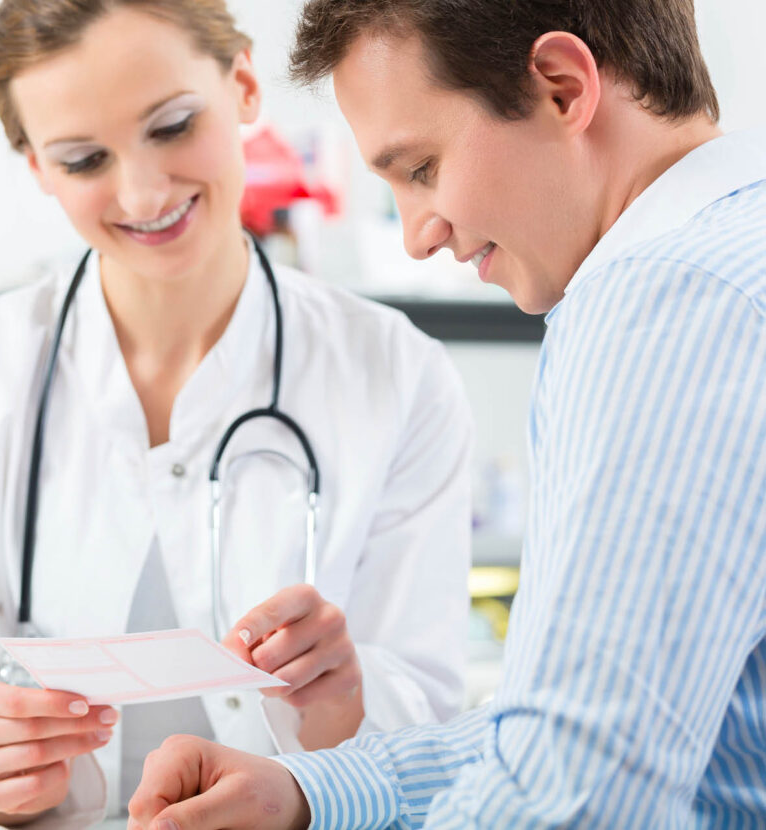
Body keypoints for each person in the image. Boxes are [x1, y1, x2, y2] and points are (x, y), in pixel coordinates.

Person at [126, 0, 766, 827]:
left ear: (564, 89)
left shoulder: (664, 300)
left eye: (421, 168)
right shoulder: (735, 247)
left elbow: (579, 790)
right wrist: (306, 791)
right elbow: (567, 731)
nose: (415, 237)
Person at [0, 1, 475, 828]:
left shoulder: (397, 375)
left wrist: (346, 707)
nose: (144, 191)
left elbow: (433, 714)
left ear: (245, 86)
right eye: (83, 159)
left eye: (174, 125)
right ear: (36, 165)